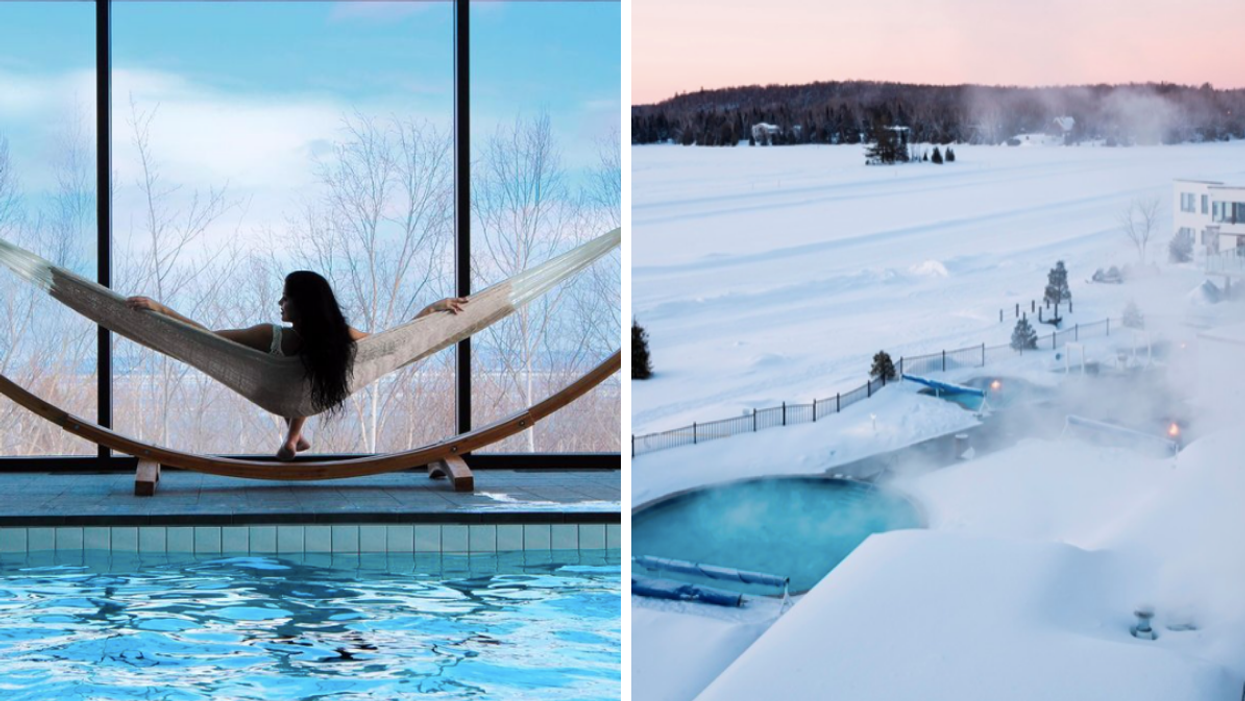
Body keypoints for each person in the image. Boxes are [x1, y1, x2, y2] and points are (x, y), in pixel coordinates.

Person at [126, 271, 466, 461]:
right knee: (293, 376)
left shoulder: (339, 336)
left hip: (310, 393)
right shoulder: (268, 335)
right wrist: (162, 309)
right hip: (276, 391)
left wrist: (433, 309)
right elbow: (207, 339)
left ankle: (294, 437)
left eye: (285, 297)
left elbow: (393, 343)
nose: (280, 302)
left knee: (307, 371)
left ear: (302, 304)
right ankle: (295, 437)